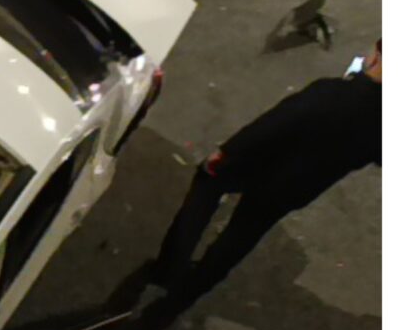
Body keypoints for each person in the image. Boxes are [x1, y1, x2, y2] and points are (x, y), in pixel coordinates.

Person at [146, 44, 381, 308]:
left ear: (378, 58)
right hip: (295, 188)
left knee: (207, 184)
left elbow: (273, 125)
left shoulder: (330, 92)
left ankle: (170, 265)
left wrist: (227, 151)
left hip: (261, 162)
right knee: (244, 233)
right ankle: (194, 287)